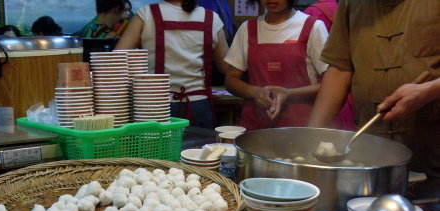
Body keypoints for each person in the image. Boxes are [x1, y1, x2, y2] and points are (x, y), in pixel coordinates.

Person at [308, 0, 440, 178]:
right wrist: (309, 138)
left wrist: (428, 91)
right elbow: (340, 70)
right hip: (369, 150)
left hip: (432, 149)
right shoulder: (352, 4)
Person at [115, 0, 229, 130]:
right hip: (199, 106)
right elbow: (226, 67)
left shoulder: (147, 14)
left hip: (156, 107)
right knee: (198, 150)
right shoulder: (211, 18)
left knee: (158, 151)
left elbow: (118, 60)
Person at [224, 0, 328, 131]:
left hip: (299, 127)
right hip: (256, 127)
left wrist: (289, 93)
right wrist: (255, 92)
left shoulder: (313, 27)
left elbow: (330, 84)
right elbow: (231, 80)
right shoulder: (247, 28)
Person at [303, 0, 355, 131]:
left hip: (326, 101)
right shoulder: (343, 6)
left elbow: (336, 71)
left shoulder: (314, 14)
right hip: (344, 100)